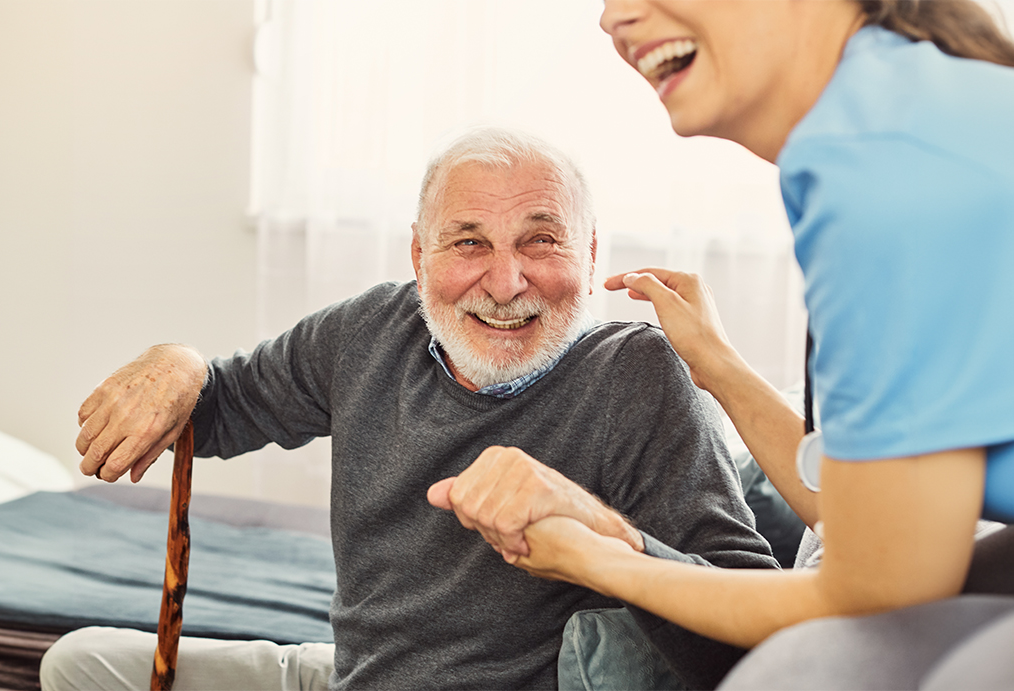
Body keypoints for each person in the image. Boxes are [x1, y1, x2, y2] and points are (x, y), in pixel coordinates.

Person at [39, 127, 778, 691]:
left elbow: (750, 636)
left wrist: (603, 533)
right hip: (349, 673)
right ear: (419, 258)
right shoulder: (368, 330)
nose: (504, 279)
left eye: (539, 241)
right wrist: (179, 360)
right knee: (80, 663)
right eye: (469, 242)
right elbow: (221, 405)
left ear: (588, 256)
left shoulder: (635, 375)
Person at [434, 1, 1014, 688]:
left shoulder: (885, 161)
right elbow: (882, 534)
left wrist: (599, 554)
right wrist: (716, 365)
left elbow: (876, 591)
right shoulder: (913, 105)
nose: (612, 17)